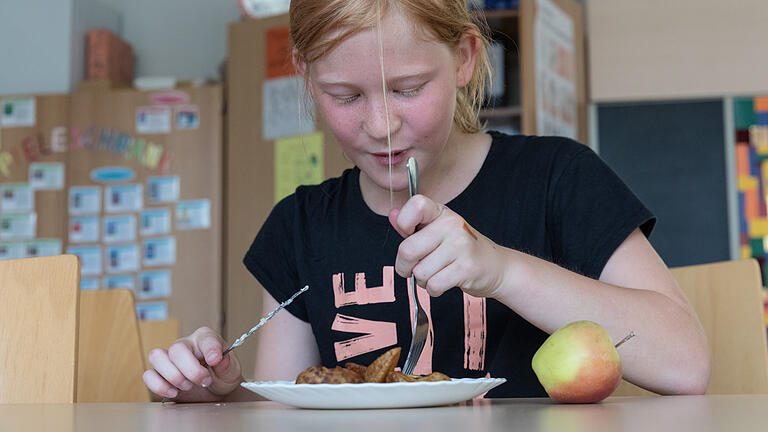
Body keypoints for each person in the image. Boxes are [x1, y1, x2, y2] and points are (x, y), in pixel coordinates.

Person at [143, 0, 711, 402]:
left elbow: (686, 364)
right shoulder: (300, 227)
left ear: (464, 58)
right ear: (305, 77)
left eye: (408, 89)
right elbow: (288, 411)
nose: (381, 125)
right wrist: (219, 395)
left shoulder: (557, 179)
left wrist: (502, 270)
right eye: (344, 96)